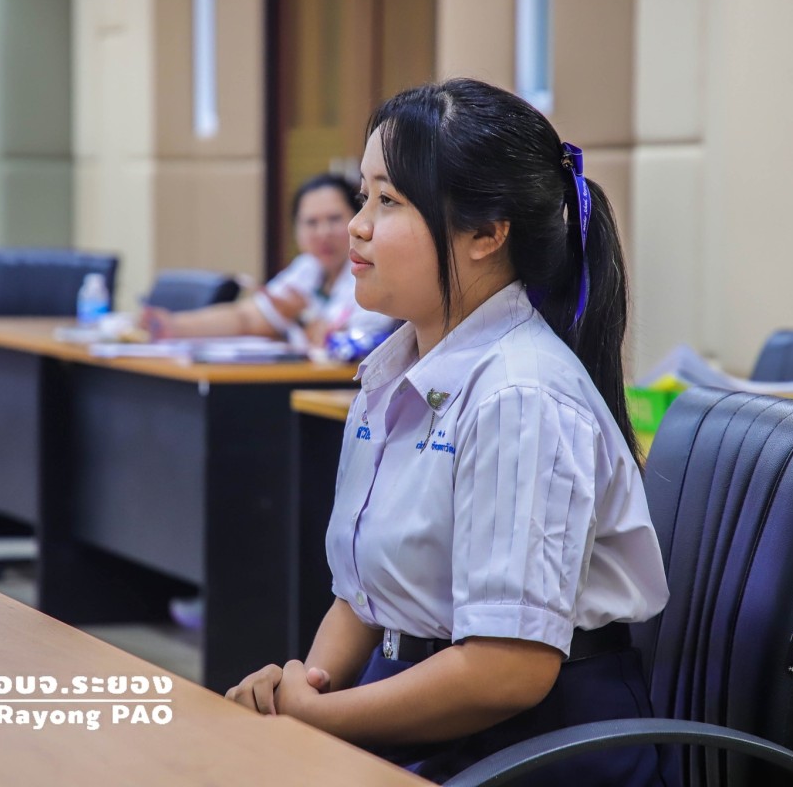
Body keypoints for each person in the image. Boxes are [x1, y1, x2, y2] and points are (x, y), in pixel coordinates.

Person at [224, 79, 672, 785]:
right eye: (364, 196)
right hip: (422, 712)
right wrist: (305, 693)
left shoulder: (520, 395)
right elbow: (364, 599)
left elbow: (506, 672)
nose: (357, 227)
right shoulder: (396, 370)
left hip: (533, 749)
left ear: (487, 234)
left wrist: (322, 720)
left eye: (389, 202)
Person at [143, 173, 392, 348]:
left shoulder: (373, 270)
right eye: (311, 223)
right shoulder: (308, 268)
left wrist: (300, 317)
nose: (323, 233)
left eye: (334, 219)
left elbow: (350, 347)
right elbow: (247, 318)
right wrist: (173, 325)